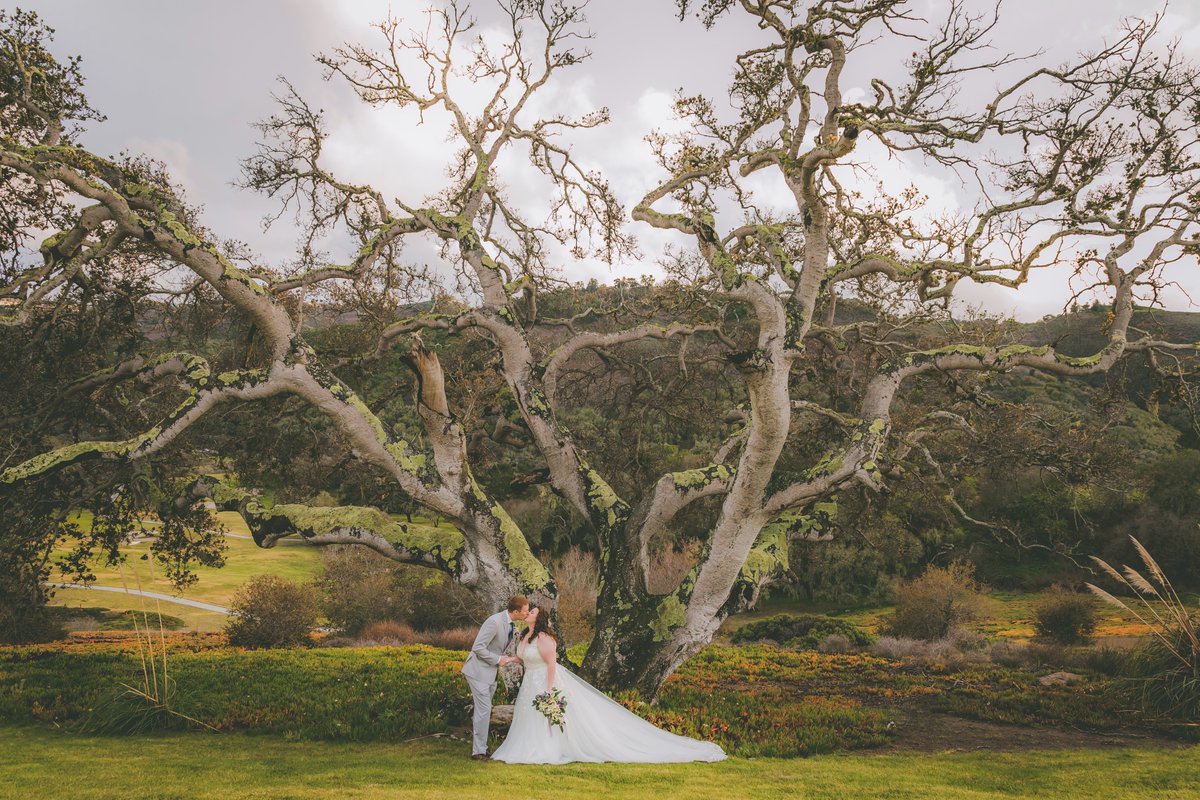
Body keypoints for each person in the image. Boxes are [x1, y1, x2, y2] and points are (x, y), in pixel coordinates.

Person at [490, 606, 727, 764]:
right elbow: (525, 657)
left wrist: (550, 690)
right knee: (529, 716)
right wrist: (510, 659)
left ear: (538, 618)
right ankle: (526, 746)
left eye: (531, 611)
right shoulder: (525, 636)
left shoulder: (544, 638)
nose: (528, 612)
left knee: (548, 716)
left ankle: (546, 748)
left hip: (544, 679)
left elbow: (551, 664)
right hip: (530, 681)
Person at [461, 595, 529, 760]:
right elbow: (478, 647)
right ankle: (478, 752)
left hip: (489, 672)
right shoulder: (494, 622)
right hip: (478, 671)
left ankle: (481, 748)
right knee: (484, 711)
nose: (527, 613)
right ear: (515, 611)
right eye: (525, 611)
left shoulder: (510, 624)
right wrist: (498, 660)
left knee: (484, 710)